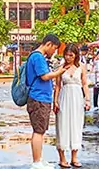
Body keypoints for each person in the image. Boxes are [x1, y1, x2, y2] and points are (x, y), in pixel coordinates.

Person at [26, 34, 69, 169]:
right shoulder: (38, 57)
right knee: (38, 130)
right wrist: (59, 72)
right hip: (39, 98)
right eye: (54, 48)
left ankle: (39, 159)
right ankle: (36, 162)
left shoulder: (37, 56)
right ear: (48, 44)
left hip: (40, 97)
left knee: (40, 130)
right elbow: (44, 76)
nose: (54, 52)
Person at [54, 44, 91, 168]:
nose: (68, 57)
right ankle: (62, 157)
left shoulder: (81, 67)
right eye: (66, 55)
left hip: (77, 97)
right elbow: (58, 85)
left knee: (76, 125)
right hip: (64, 96)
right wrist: (55, 101)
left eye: (71, 55)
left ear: (76, 55)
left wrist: (87, 99)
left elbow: (84, 83)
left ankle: (74, 157)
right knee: (62, 125)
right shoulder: (61, 67)